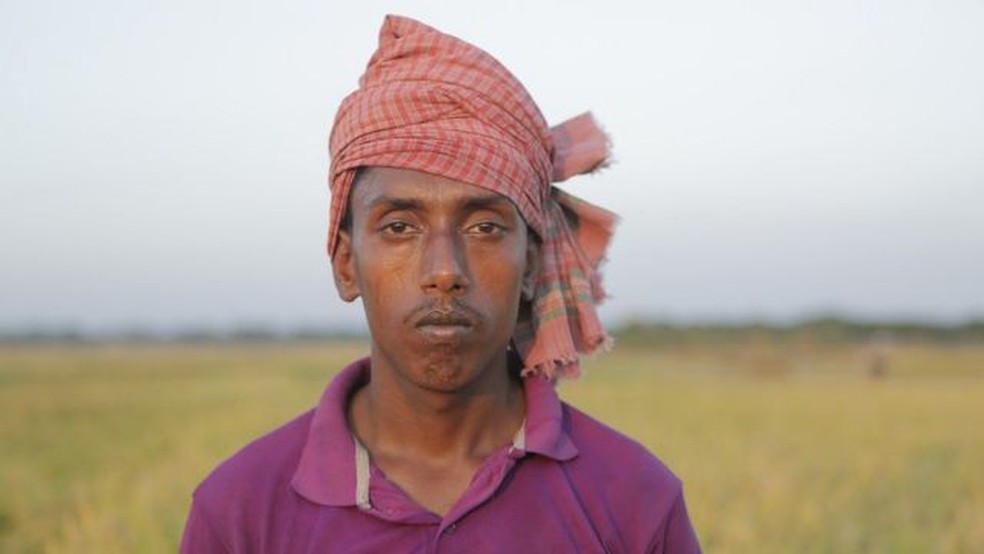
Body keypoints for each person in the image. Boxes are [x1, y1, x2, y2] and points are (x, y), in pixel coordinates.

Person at [181, 14, 701, 553]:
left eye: (484, 227)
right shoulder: (240, 510)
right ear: (345, 263)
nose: (446, 271)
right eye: (400, 227)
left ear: (530, 263)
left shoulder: (634, 500)